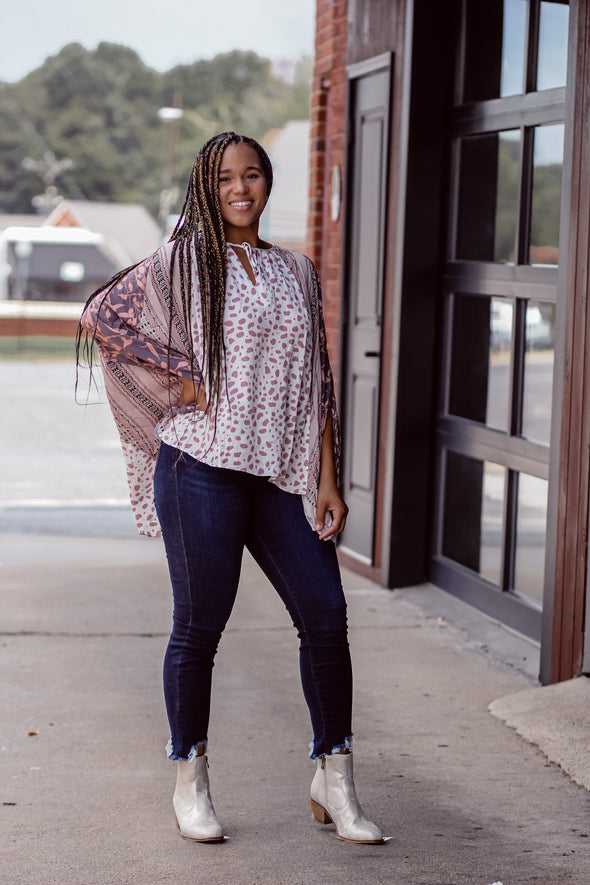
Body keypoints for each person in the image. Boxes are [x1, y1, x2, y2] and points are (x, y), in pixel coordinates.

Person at [77, 131, 383, 845]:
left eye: (252, 175)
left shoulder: (298, 271)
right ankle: (190, 777)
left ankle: (334, 778)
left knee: (326, 618)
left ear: (267, 183)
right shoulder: (184, 261)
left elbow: (319, 384)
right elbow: (103, 315)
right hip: (200, 470)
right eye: (224, 179)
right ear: (206, 189)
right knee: (199, 628)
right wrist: (175, 378)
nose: (240, 188)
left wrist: (327, 478)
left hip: (281, 476)